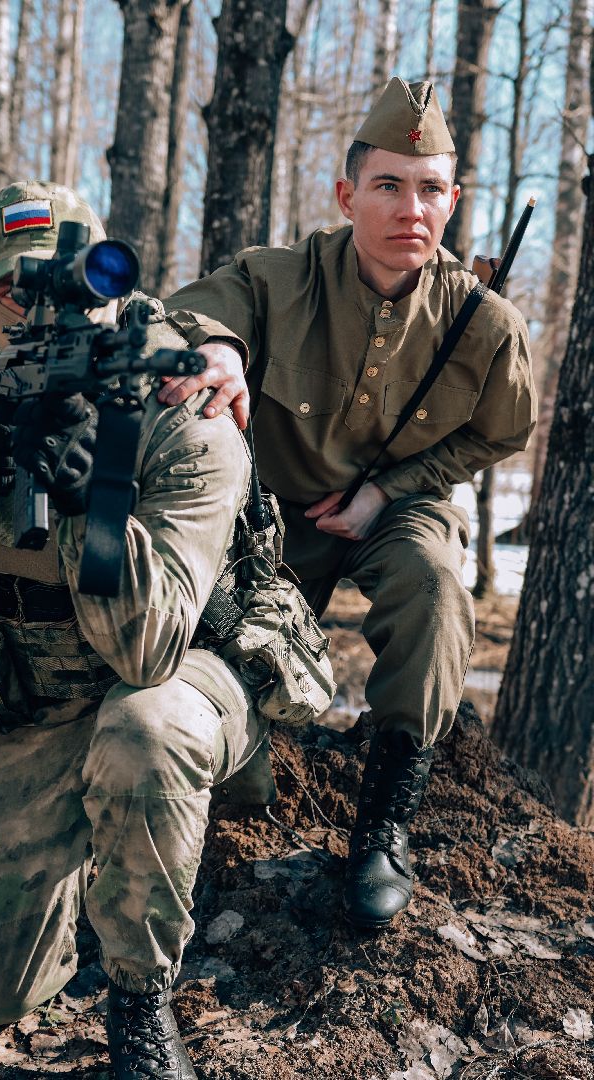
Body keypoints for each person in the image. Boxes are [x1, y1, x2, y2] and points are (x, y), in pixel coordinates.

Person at [0, 180, 273, 1080]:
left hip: (179, 681)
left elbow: (150, 651)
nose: (40, 313)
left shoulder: (183, 397)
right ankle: (72, 855)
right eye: (10, 292)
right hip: (41, 702)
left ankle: (141, 1000)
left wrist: (94, 504)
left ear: (110, 287)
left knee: (145, 731)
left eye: (67, 288)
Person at [159, 78, 537, 929]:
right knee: (204, 653)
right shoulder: (277, 278)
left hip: (396, 510)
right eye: (388, 185)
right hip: (269, 519)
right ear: (346, 195)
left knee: (435, 589)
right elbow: (193, 315)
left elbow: (500, 433)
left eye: (431, 189)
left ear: (453, 201)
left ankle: (384, 824)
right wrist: (219, 351)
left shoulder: (485, 324)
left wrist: (387, 491)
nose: (411, 209)